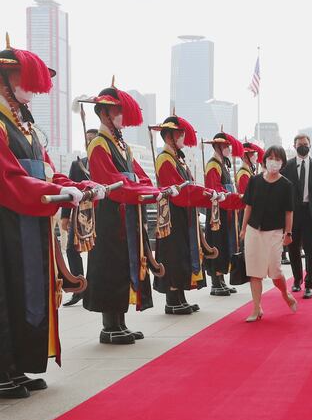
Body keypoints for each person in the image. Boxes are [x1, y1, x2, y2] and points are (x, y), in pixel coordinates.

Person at [0, 39, 97, 398]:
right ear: (5, 78)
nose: (32, 89)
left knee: (28, 290)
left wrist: (76, 185)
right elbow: (8, 177)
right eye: (24, 79)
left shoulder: (25, 127)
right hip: (7, 220)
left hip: (29, 220)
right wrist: (51, 193)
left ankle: (16, 365)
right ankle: (2, 368)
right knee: (7, 292)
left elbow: (48, 172)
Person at [81, 80, 163, 345]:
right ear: (103, 114)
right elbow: (111, 181)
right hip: (109, 215)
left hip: (128, 213)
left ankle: (121, 322)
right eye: (116, 111)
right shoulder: (99, 145)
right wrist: (139, 190)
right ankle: (109, 325)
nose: (120, 117)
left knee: (124, 268)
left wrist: (150, 189)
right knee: (110, 267)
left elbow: (139, 175)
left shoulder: (123, 146)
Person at [152, 114, 219, 314]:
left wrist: (204, 194)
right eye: (179, 134)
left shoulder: (177, 159)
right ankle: (172, 300)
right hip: (172, 214)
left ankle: (180, 296)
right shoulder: (164, 159)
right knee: (173, 256)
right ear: (168, 136)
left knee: (182, 255)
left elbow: (188, 186)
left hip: (184, 214)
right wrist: (206, 195)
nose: (182, 137)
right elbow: (180, 191)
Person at [239, 145, 298, 322]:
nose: (274, 162)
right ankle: (256, 308)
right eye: (270, 158)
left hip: (274, 232)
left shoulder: (286, 185)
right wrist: (243, 229)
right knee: (255, 271)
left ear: (282, 163)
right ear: (265, 160)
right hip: (253, 230)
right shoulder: (255, 181)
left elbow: (289, 212)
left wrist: (288, 232)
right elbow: (248, 206)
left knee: (275, 271)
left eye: (278, 159)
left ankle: (285, 293)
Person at [203, 132, 245, 296]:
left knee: (224, 244)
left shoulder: (222, 164)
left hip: (226, 210)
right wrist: (233, 198)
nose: (228, 149)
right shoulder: (213, 164)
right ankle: (215, 282)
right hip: (217, 212)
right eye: (226, 146)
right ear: (218, 147)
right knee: (216, 244)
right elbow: (215, 189)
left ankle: (221, 281)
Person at [61, 128, 98, 306]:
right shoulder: (78, 165)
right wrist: (65, 216)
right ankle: (79, 288)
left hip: (99, 215)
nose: (90, 142)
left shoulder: (103, 163)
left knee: (96, 252)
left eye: (93, 139)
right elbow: (70, 190)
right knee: (71, 249)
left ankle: (94, 286)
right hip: (79, 215)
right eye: (87, 140)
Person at [282, 134, 312, 299]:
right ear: (294, 145)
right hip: (292, 213)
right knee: (293, 248)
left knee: (311, 250)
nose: (303, 147)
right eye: (300, 144)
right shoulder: (287, 167)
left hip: (311, 213)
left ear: (310, 145)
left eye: (306, 144)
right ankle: (297, 279)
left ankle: (310, 284)